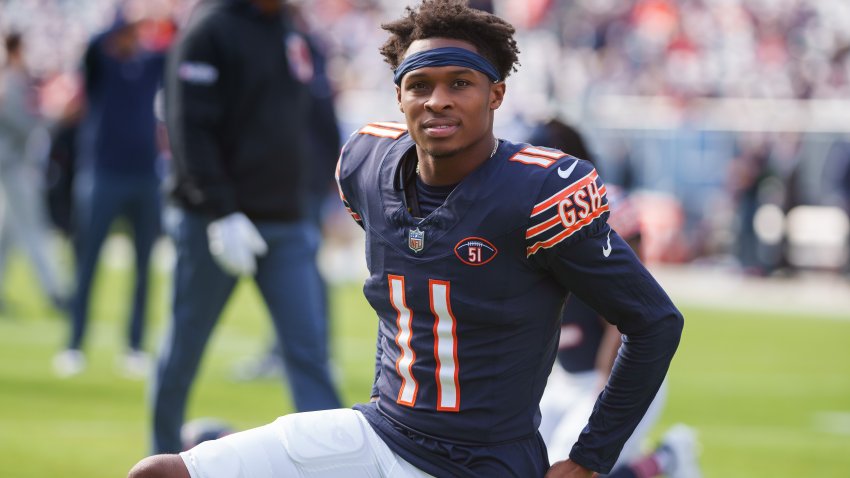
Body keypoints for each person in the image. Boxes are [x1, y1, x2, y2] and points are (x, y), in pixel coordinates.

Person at [129, 1, 683, 477]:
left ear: (496, 94)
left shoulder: (537, 190)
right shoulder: (365, 165)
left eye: (460, 84)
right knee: (160, 471)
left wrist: (591, 456)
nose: (437, 100)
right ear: (399, 97)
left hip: (481, 463)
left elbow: (655, 321)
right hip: (381, 432)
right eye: (419, 84)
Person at [149, 0, 342, 455]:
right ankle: (159, 456)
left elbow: (311, 118)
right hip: (214, 221)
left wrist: (328, 190)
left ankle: (334, 462)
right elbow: (187, 127)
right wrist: (219, 210)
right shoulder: (210, 29)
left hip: (288, 218)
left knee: (309, 353)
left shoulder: (290, 29)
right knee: (184, 349)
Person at [52, 13, 168, 378]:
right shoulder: (102, 64)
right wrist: (127, 20)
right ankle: (73, 343)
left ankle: (134, 345)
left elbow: (177, 46)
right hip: (103, 175)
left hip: (145, 176)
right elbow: (92, 47)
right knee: (87, 263)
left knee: (143, 266)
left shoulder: (149, 65)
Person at [0, 32, 68, 312]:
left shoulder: (17, 82)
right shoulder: (10, 84)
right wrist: (56, 116)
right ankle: (55, 291)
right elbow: (27, 127)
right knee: (34, 230)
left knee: (7, 234)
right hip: (14, 166)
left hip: (15, 164)